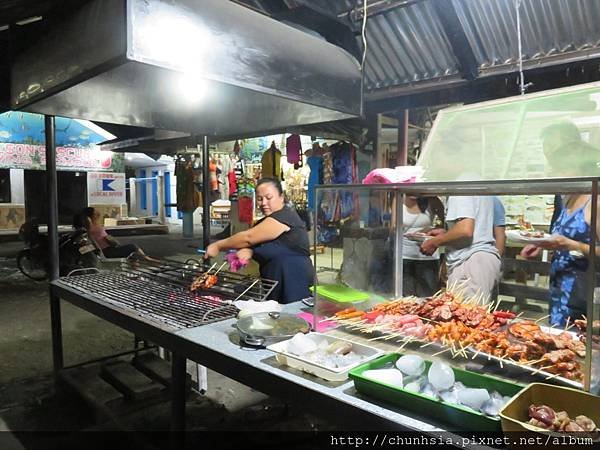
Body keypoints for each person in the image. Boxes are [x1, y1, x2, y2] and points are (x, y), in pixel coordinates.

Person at [520, 121, 600, 326]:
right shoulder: (566, 198)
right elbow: (559, 236)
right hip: (561, 292)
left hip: (586, 296)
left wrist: (573, 246)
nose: (554, 171)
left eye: (558, 165)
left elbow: (575, 243)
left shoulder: (595, 199)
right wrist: (541, 245)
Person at [205, 177, 313, 303]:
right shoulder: (265, 221)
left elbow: (248, 237)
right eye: (260, 199)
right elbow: (263, 243)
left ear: (281, 197)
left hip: (295, 283)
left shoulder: (285, 217)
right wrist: (249, 251)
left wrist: (218, 245)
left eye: (269, 197)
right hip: (275, 283)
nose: (263, 203)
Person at [402, 196, 443, 297]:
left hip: (428, 255)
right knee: (406, 298)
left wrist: (428, 231)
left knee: (428, 297)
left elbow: (444, 224)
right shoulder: (399, 197)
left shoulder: (432, 200)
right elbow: (393, 225)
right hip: (405, 255)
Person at [75, 207, 144, 258]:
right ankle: (147, 259)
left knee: (132, 253)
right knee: (132, 247)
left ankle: (138, 267)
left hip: (110, 248)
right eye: (95, 213)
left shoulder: (96, 226)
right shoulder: (91, 228)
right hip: (107, 251)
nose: (98, 214)